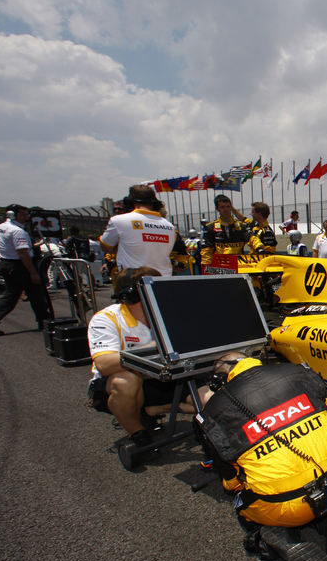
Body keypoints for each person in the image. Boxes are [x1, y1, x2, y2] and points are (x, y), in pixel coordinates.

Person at [198, 352, 327, 561]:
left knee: (239, 498)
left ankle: (279, 534)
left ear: (221, 377)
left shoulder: (214, 411)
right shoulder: (302, 372)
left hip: (279, 506)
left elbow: (231, 480)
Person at [86, 267, 187, 446]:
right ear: (131, 297)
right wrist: (155, 349)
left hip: (164, 377)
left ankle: (150, 410)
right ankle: (137, 433)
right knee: (125, 381)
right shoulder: (106, 319)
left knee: (211, 396)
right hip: (125, 382)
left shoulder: (169, 314)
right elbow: (104, 364)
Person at [0, 204, 52, 336]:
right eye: (23, 215)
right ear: (13, 215)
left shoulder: (0, 227)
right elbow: (23, 253)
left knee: (11, 295)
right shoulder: (18, 231)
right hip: (20, 266)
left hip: (7, 263)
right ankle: (45, 321)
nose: (26, 217)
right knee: (36, 294)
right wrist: (33, 273)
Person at [99, 185, 177, 276]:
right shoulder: (169, 226)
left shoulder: (118, 221)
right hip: (163, 281)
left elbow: (105, 246)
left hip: (134, 281)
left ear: (131, 203)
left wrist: (123, 247)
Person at [199, 194, 252, 267]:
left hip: (238, 265)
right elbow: (206, 250)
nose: (226, 209)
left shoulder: (241, 226)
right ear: (217, 209)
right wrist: (206, 267)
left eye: (228, 206)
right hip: (220, 267)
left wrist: (259, 247)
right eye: (222, 207)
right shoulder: (210, 227)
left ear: (231, 207)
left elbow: (252, 239)